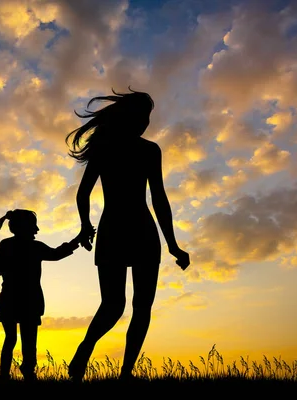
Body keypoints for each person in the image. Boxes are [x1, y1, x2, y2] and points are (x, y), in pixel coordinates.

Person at [66, 88, 190, 382]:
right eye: (143, 115)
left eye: (148, 117)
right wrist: (84, 226)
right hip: (127, 231)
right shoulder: (123, 149)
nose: (147, 121)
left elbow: (158, 198)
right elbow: (84, 193)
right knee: (122, 306)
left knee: (130, 306)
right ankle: (91, 352)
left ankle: (124, 372)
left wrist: (173, 244)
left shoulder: (142, 150)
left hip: (129, 232)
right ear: (129, 116)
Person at [0, 209, 93, 381]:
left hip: (11, 300)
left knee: (11, 339)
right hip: (28, 301)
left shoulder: (8, 245)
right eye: (33, 226)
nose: (37, 230)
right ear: (24, 227)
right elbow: (56, 254)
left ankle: (6, 376)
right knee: (28, 341)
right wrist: (77, 240)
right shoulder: (33, 247)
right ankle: (26, 372)